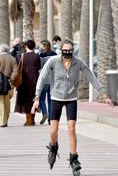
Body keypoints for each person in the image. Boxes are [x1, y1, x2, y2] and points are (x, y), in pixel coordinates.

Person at [32, 39, 115, 175]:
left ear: (72, 51)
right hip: (55, 99)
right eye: (65, 51)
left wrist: (104, 95)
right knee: (53, 130)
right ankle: (53, 147)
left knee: (71, 129)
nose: (67, 53)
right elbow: (42, 78)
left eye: (70, 51)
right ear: (61, 51)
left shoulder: (78, 63)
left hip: (71, 99)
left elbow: (91, 77)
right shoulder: (53, 61)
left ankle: (73, 158)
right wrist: (37, 97)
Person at [14, 40, 40, 126]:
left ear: (26, 47)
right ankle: (32, 119)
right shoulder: (36, 56)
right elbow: (38, 67)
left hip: (24, 80)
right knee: (33, 99)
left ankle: (29, 120)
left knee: (26, 100)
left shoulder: (22, 56)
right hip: (34, 80)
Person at [0, 44, 17, 127]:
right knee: (7, 102)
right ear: (7, 50)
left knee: (0, 102)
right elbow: (15, 71)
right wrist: (10, 79)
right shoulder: (12, 59)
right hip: (9, 84)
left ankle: (2, 121)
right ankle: (5, 119)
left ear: (0, 50)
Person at [38, 40, 57, 125]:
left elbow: (40, 67)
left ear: (44, 46)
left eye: (41, 45)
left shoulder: (41, 55)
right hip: (53, 80)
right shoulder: (55, 54)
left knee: (42, 99)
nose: (40, 47)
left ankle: (45, 113)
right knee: (50, 100)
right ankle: (50, 118)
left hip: (44, 79)